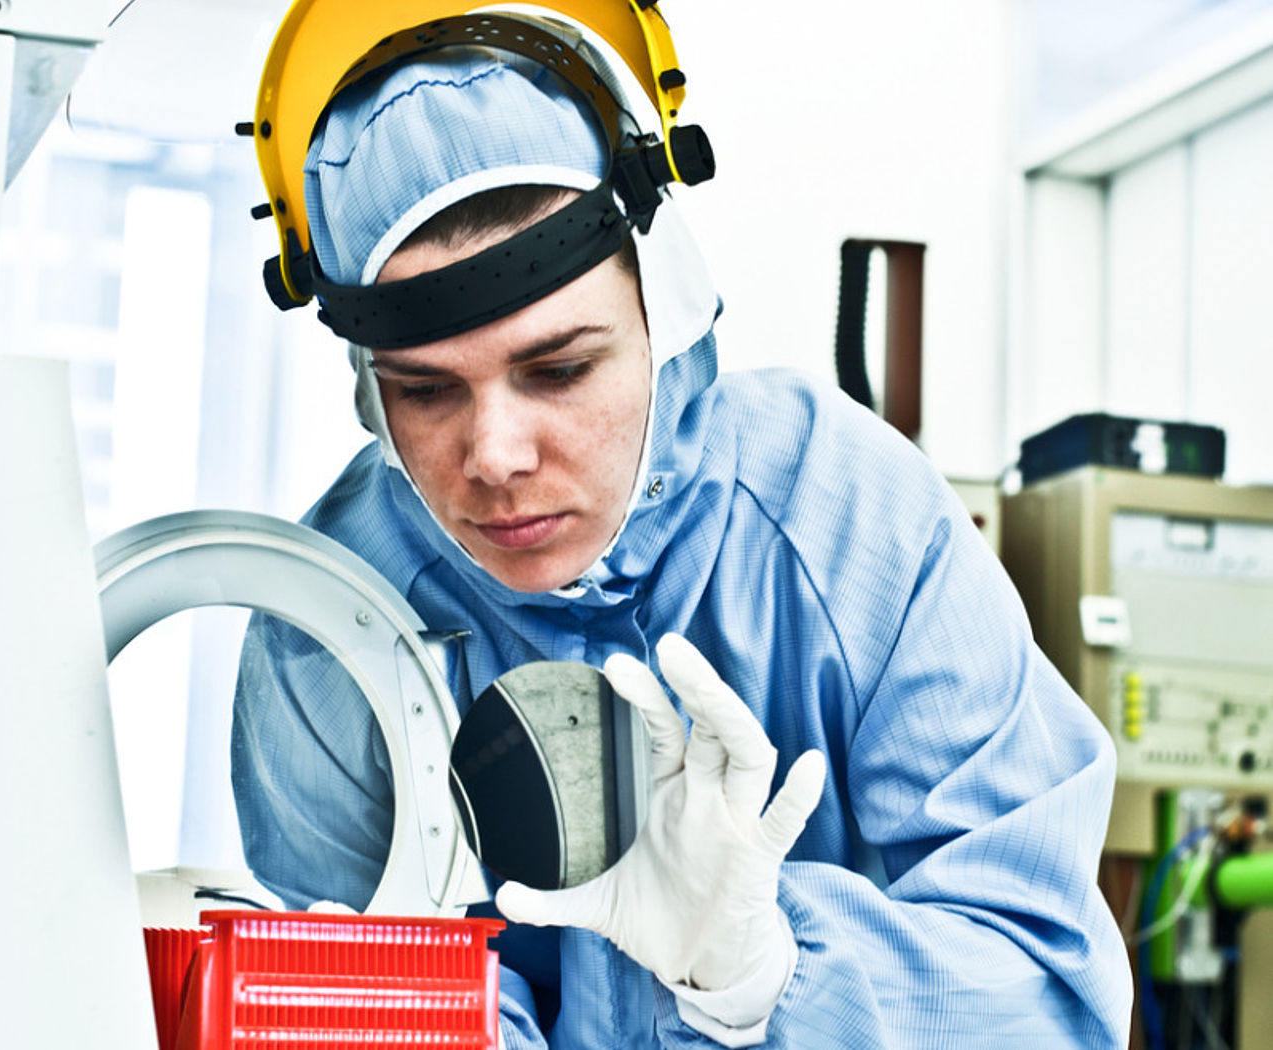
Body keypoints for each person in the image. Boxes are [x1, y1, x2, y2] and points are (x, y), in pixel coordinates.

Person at [232, 12, 1132, 1048]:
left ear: (669, 308)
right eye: (427, 391)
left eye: (559, 369)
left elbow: (1051, 997)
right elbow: (356, 996)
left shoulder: (849, 521)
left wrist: (767, 975)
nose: (496, 456)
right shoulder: (333, 627)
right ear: (366, 393)